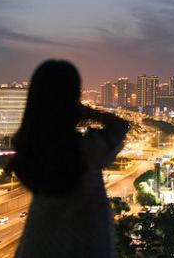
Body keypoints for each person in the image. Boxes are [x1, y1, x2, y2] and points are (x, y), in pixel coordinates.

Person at [9, 60, 129, 258]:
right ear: (73, 100)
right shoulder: (87, 150)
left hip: (36, 246)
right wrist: (89, 112)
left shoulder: (28, 150)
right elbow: (120, 126)